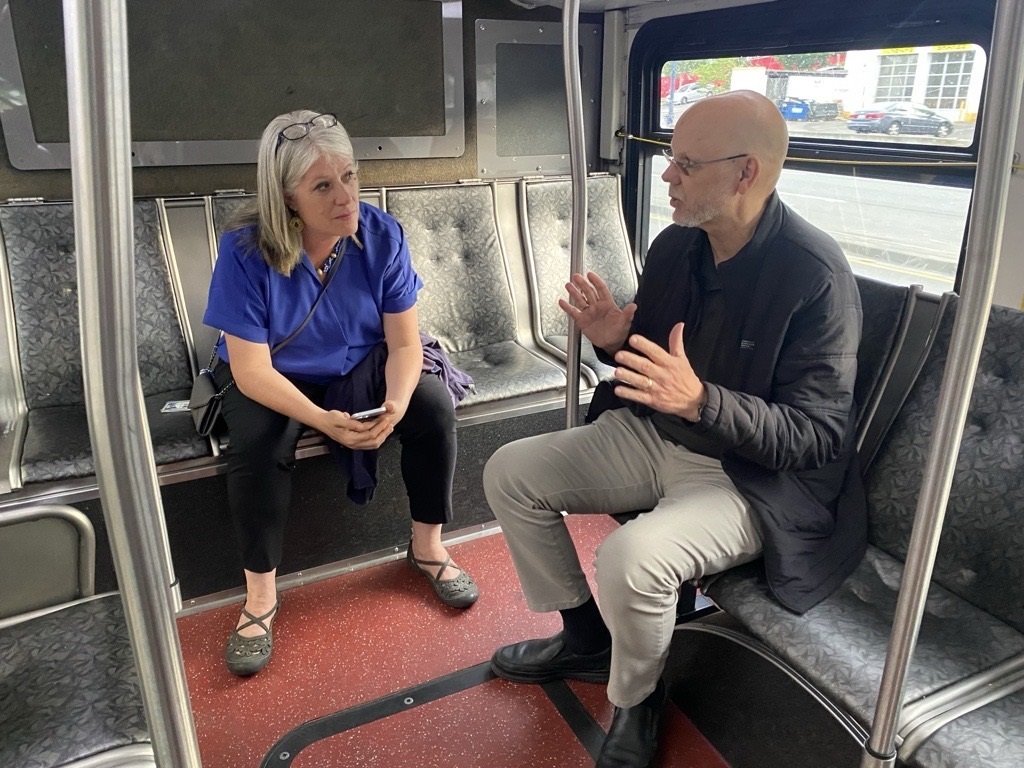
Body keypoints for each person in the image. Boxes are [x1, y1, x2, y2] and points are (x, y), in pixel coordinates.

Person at [483, 91, 866, 768]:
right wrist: (611, 340)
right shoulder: (675, 248)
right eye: (669, 160)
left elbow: (817, 436)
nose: (667, 177)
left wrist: (704, 402)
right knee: (510, 471)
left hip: (750, 479)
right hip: (657, 433)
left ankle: (637, 697)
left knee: (630, 559)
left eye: (686, 165)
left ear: (746, 172)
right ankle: (582, 637)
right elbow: (654, 366)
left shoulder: (816, 276)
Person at [203, 110, 478, 677]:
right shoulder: (245, 249)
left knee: (431, 407)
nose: (345, 197)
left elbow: (404, 346)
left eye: (349, 176)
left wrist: (397, 404)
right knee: (258, 444)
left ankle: (427, 546)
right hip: (274, 371)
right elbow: (252, 370)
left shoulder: (381, 235)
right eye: (323, 186)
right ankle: (259, 597)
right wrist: (323, 420)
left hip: (358, 360)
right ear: (286, 197)